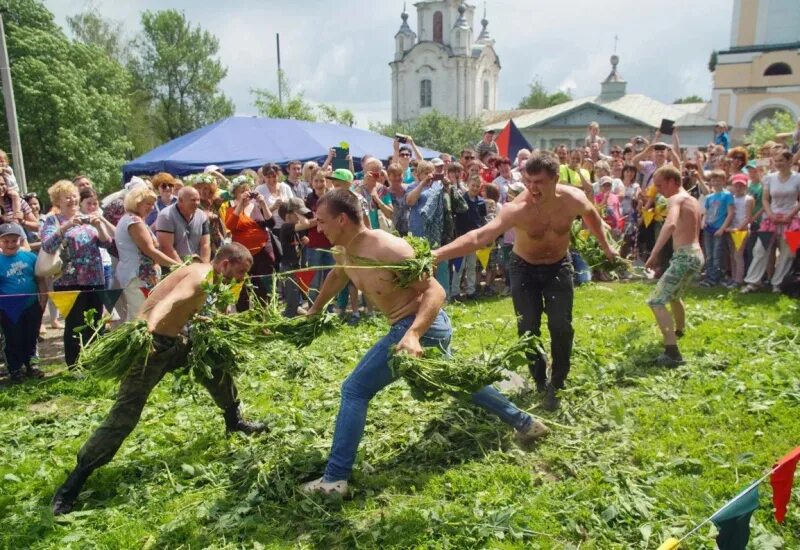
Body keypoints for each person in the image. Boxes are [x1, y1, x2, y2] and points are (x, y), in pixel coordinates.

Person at [300, 190, 548, 497]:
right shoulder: (344, 250)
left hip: (422, 325)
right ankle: (526, 423)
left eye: (322, 221)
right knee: (460, 382)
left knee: (355, 389)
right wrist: (314, 310)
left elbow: (436, 292)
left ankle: (335, 480)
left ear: (342, 219)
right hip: (411, 326)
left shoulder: (388, 248)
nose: (318, 227)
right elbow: (338, 275)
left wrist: (413, 334)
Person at [51, 243, 267, 515]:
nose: (241, 279)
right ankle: (73, 483)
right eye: (240, 272)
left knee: (217, 367)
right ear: (225, 263)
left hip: (179, 342)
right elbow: (170, 301)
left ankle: (234, 421)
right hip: (152, 348)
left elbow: (187, 307)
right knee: (125, 413)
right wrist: (148, 331)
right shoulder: (201, 277)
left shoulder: (209, 277)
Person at [434, 152, 618, 411]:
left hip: (558, 267)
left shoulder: (573, 199)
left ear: (555, 179)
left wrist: (607, 248)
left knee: (561, 326)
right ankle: (540, 379)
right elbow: (479, 237)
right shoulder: (517, 209)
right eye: (528, 181)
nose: (532, 188)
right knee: (529, 329)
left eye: (539, 182)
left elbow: (592, 218)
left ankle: (558, 381)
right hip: (524, 269)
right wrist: (436, 255)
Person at [41, 180, 112, 367]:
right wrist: (66, 227)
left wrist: (99, 226)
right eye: (67, 197)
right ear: (58, 200)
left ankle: (96, 361)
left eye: (74, 196)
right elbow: (47, 245)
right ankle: (75, 364)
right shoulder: (53, 220)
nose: (72, 200)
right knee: (75, 323)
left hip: (95, 278)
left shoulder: (87, 216)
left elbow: (106, 243)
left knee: (96, 322)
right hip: (68, 281)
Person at [644, 165, 703, 366]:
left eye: (660, 185)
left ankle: (672, 353)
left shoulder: (675, 199)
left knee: (656, 301)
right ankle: (679, 330)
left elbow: (670, 224)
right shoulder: (692, 199)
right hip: (696, 254)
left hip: (685, 256)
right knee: (675, 295)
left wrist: (654, 254)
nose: (658, 190)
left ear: (672, 181)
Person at [115, 185, 180, 320]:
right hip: (138, 277)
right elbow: (150, 250)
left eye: (153, 204)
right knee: (140, 317)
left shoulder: (132, 219)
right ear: (136, 203)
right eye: (148, 204)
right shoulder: (134, 221)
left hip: (139, 276)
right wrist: (178, 265)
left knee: (141, 315)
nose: (151, 207)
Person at [741, 150, 800, 293]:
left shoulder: (798, 178)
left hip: (792, 220)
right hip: (770, 219)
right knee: (760, 250)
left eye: (781, 160)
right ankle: (753, 282)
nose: (779, 163)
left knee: (788, 252)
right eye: (777, 160)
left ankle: (777, 283)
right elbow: (765, 199)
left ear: (789, 161)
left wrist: (790, 216)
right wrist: (770, 214)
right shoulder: (769, 178)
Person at [0, 223, 47, 382]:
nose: (11, 244)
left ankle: (32, 364)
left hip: (31, 304)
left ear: (20, 240)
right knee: (13, 337)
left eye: (14, 240)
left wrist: (44, 298)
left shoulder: (30, 257)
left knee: (31, 335)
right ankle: (15, 368)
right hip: (9, 308)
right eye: (6, 241)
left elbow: (40, 280)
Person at [224, 174, 275, 311]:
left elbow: (271, 223)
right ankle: (244, 316)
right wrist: (240, 204)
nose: (246, 194)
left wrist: (263, 203)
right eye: (242, 191)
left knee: (263, 289)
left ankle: (263, 318)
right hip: (241, 256)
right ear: (235, 193)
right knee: (242, 289)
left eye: (248, 190)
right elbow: (230, 226)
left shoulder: (257, 206)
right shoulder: (231, 208)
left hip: (262, 253)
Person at [278, 198, 315, 317]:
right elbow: (306, 223)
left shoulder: (296, 227)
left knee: (301, 291)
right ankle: (288, 318)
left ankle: (294, 311)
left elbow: (303, 234)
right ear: (289, 215)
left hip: (298, 264)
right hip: (289, 266)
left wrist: (305, 241)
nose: (302, 216)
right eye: (299, 214)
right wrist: (300, 215)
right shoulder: (286, 227)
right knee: (292, 295)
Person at [451, 174, 486, 300]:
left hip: (475, 238)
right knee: (459, 266)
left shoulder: (481, 202)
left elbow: (482, 219)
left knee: (471, 266)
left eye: (477, 186)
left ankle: (471, 291)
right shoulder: (461, 200)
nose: (475, 188)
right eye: (473, 185)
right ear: (468, 185)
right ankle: (455, 292)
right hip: (461, 237)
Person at [156, 186, 211, 264]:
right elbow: (166, 247)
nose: (197, 203)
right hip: (173, 265)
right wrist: (183, 268)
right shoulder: (166, 216)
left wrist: (204, 267)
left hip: (196, 263)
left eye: (198, 200)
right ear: (180, 201)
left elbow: (205, 244)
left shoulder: (202, 216)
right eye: (193, 200)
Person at [698, 170, 734, 288]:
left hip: (719, 229)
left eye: (718, 180)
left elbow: (730, 213)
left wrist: (722, 228)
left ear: (724, 181)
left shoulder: (727, 195)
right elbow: (706, 212)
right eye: (713, 180)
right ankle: (709, 275)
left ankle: (715, 277)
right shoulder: (709, 197)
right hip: (708, 228)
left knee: (717, 254)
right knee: (708, 254)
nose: (716, 182)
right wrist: (703, 222)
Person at [726, 174, 754, 288]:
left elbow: (748, 217)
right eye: (736, 185)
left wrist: (738, 228)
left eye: (741, 185)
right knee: (732, 255)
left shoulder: (748, 199)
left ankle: (739, 280)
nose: (738, 187)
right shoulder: (730, 198)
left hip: (741, 231)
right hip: (731, 229)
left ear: (745, 186)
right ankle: (733, 278)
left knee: (738, 255)